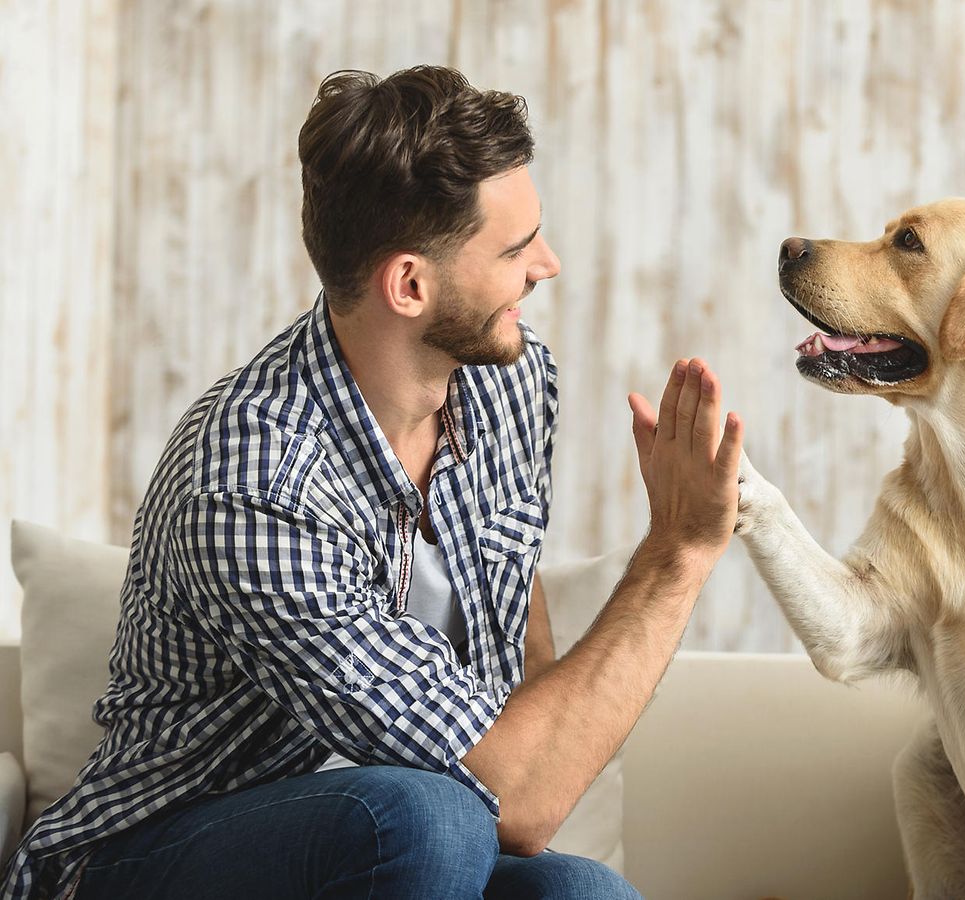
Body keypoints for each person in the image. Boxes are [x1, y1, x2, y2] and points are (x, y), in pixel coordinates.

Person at [1, 64, 743, 899]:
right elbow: (517, 798)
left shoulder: (510, 378)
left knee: (581, 893)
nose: (549, 263)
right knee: (424, 818)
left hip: (418, 847)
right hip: (160, 854)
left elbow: (516, 611)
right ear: (410, 284)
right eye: (514, 247)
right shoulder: (253, 481)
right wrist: (677, 551)